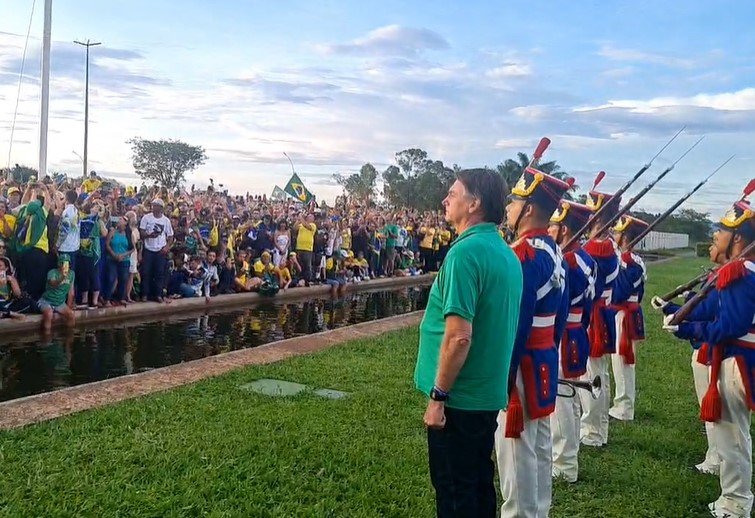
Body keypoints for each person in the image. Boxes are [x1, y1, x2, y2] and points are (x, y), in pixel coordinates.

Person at [415, 169, 521, 518]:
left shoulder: (465, 254)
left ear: (473, 204)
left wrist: (438, 397)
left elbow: (460, 336)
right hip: (485, 395)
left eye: (453, 193)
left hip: (458, 400)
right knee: (477, 484)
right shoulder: (505, 254)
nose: (445, 200)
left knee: (455, 494)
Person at [661, 189, 755, 518]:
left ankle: (736, 502)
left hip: (737, 361)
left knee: (732, 438)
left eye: (723, 231)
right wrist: (678, 312)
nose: (716, 235)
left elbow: (728, 325)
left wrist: (688, 330)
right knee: (732, 435)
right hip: (737, 359)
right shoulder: (741, 271)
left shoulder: (740, 273)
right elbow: (713, 309)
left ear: (739, 239)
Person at [498, 166, 569, 518]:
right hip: (543, 358)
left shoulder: (524, 255)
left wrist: (506, 376)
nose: (509, 208)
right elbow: (557, 321)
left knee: (516, 453)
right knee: (539, 447)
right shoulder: (553, 251)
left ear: (528, 209)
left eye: (514, 201)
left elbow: (516, 320)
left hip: (522, 364)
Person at [548, 200, 597, 483]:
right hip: (577, 330)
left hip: (565, 333)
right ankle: (566, 456)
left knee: (562, 398)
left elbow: (561, 305)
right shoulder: (584, 257)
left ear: (564, 229)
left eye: (553, 225)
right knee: (567, 396)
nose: (549, 229)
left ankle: (565, 464)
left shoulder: (567, 260)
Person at [580, 173, 622, 448]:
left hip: (594, 314)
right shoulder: (608, 246)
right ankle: (596, 427)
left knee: (592, 375)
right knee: (597, 374)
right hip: (599, 312)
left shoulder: (599, 247)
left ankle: (593, 430)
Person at [609, 215, 649, 421]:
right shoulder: (627, 260)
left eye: (617, 232)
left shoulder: (630, 262)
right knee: (619, 361)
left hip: (625, 314)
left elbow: (619, 291)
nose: (613, 235)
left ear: (625, 237)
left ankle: (624, 406)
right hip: (624, 312)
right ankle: (622, 402)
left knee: (623, 362)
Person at [139, 198, 174, 303]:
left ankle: (158, 295)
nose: (153, 207)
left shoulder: (166, 220)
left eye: (156, 205)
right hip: (148, 249)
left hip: (160, 250)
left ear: (161, 208)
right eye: (153, 205)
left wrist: (167, 247)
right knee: (146, 272)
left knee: (159, 273)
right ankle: (144, 294)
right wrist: (149, 235)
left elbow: (171, 236)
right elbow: (142, 232)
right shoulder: (146, 218)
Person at [38, 253, 75, 332]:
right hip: (47, 301)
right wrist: (62, 277)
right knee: (49, 314)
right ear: (59, 264)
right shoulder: (52, 272)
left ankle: (69, 339)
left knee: (71, 315)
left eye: (66, 263)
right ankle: (47, 339)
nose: (64, 265)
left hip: (60, 302)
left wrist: (69, 305)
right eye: (62, 263)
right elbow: (53, 284)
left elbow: (71, 291)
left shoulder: (72, 274)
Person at [294, 213, 316, 285]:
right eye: (308, 216)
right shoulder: (301, 224)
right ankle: (299, 279)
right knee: (299, 264)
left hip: (307, 248)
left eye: (310, 216)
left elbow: (306, 226)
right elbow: (294, 228)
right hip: (299, 247)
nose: (308, 217)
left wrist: (301, 217)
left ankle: (307, 280)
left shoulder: (313, 225)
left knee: (307, 265)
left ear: (313, 219)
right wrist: (298, 220)